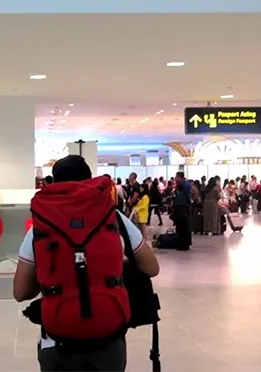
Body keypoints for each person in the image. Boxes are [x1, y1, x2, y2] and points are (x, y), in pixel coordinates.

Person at [14, 155, 160, 372]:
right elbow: (152, 268)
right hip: (108, 339)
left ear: (54, 183)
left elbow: (20, 291)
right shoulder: (115, 218)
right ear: (91, 180)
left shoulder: (40, 227)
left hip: (58, 340)